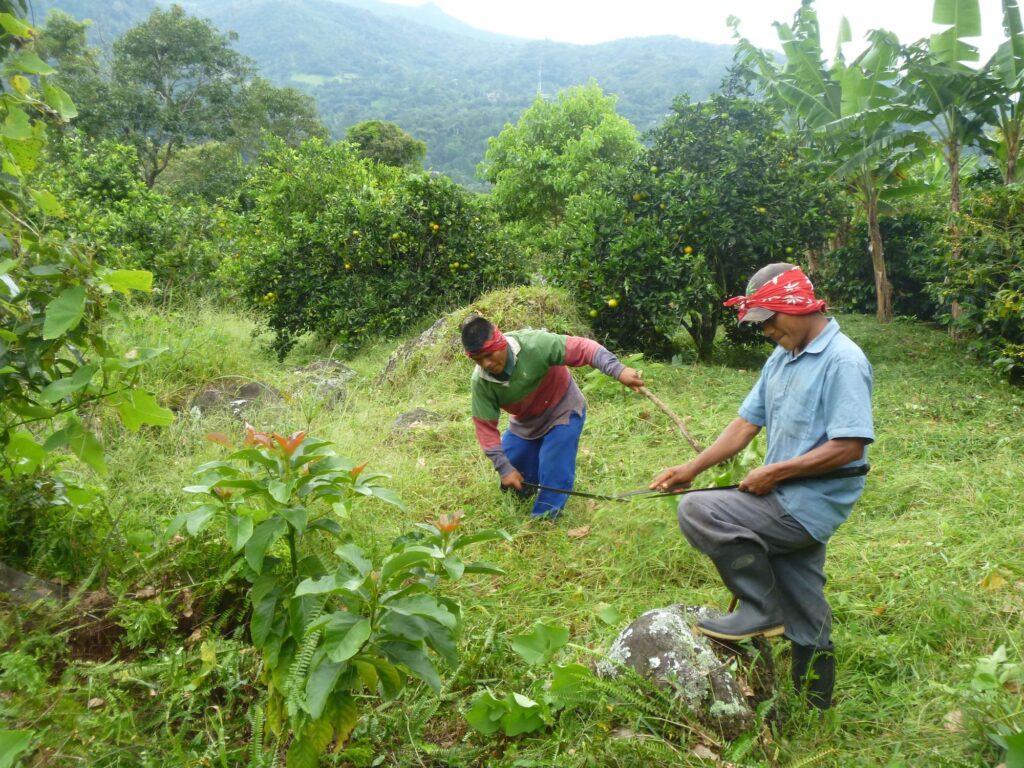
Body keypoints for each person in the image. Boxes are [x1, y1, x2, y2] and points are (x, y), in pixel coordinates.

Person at [650, 263, 874, 709]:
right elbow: (745, 424)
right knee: (805, 603)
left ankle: (759, 609)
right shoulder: (783, 357)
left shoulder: (843, 360)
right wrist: (690, 468)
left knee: (699, 511)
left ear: (796, 307)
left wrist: (775, 472)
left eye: (770, 320)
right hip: (783, 497)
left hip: (807, 504)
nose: (767, 331)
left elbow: (849, 446)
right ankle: (815, 707)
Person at [462, 314, 644, 519]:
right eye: (478, 360)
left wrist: (618, 370)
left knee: (554, 467)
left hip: (563, 410)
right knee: (513, 476)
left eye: (489, 355)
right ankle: (522, 497)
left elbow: (584, 348)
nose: (486, 364)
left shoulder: (535, 344)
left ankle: (545, 519)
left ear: (501, 342)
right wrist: (504, 468)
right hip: (525, 422)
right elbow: (485, 428)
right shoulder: (481, 382)